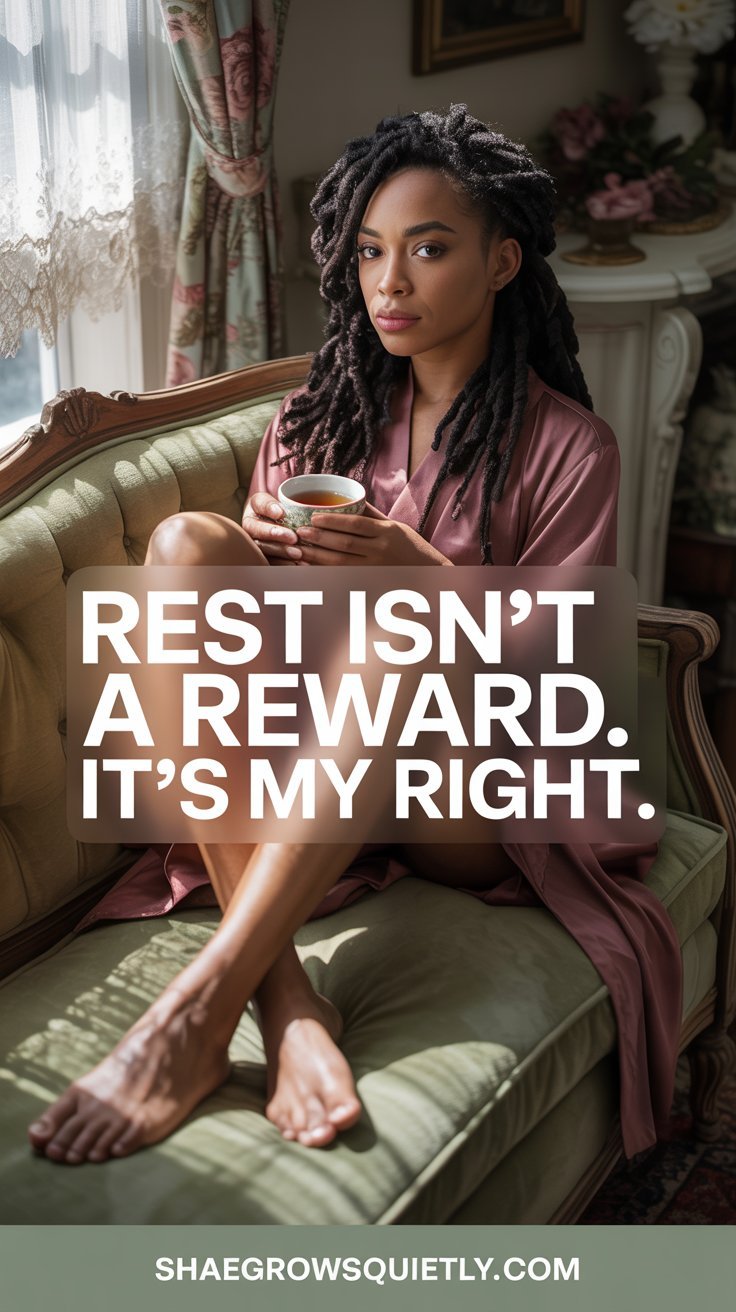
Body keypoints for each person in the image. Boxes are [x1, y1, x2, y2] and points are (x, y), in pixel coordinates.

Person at [28, 104, 682, 1168]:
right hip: (330, 766)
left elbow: (557, 684)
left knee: (399, 627)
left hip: (471, 788)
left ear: (502, 260)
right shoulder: (313, 420)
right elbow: (267, 636)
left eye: (428, 248)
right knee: (189, 544)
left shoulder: (572, 447)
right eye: (372, 250)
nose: (391, 282)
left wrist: (413, 569)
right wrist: (261, 571)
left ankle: (196, 1007)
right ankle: (285, 1003)